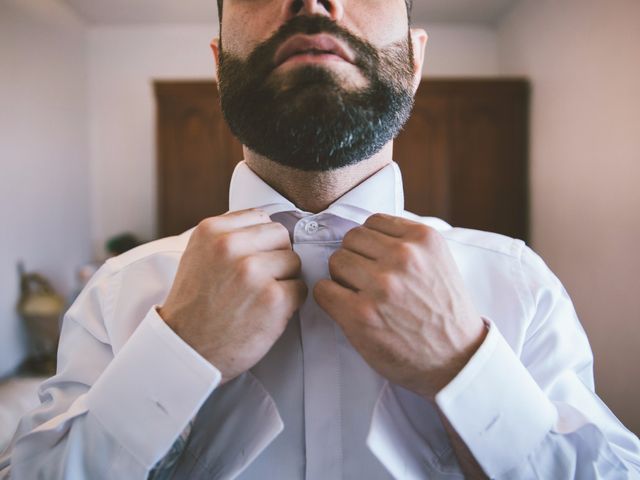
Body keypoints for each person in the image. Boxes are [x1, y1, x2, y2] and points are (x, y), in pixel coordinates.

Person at [2, 0, 640, 478]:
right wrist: (177, 354)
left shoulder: (519, 281)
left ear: (415, 59)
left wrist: (462, 367)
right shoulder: (119, 293)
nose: (311, 1)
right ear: (221, 63)